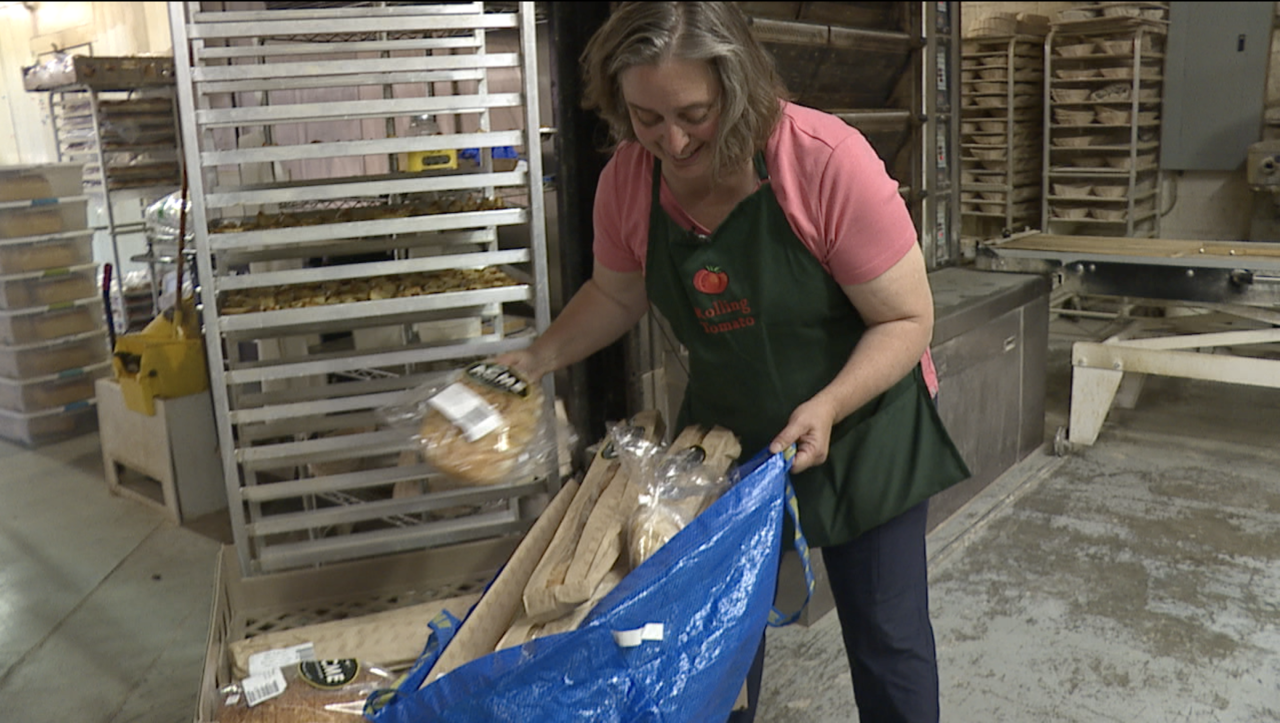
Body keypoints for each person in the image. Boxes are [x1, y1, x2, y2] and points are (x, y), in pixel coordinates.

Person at [498, 3, 970, 721]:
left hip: (867, 422)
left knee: (886, 634)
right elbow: (614, 294)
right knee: (710, 637)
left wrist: (830, 405)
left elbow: (907, 318)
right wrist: (535, 358)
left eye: (695, 113)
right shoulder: (629, 180)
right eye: (646, 118)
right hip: (728, 437)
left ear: (738, 85)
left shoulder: (822, 161)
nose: (674, 141)